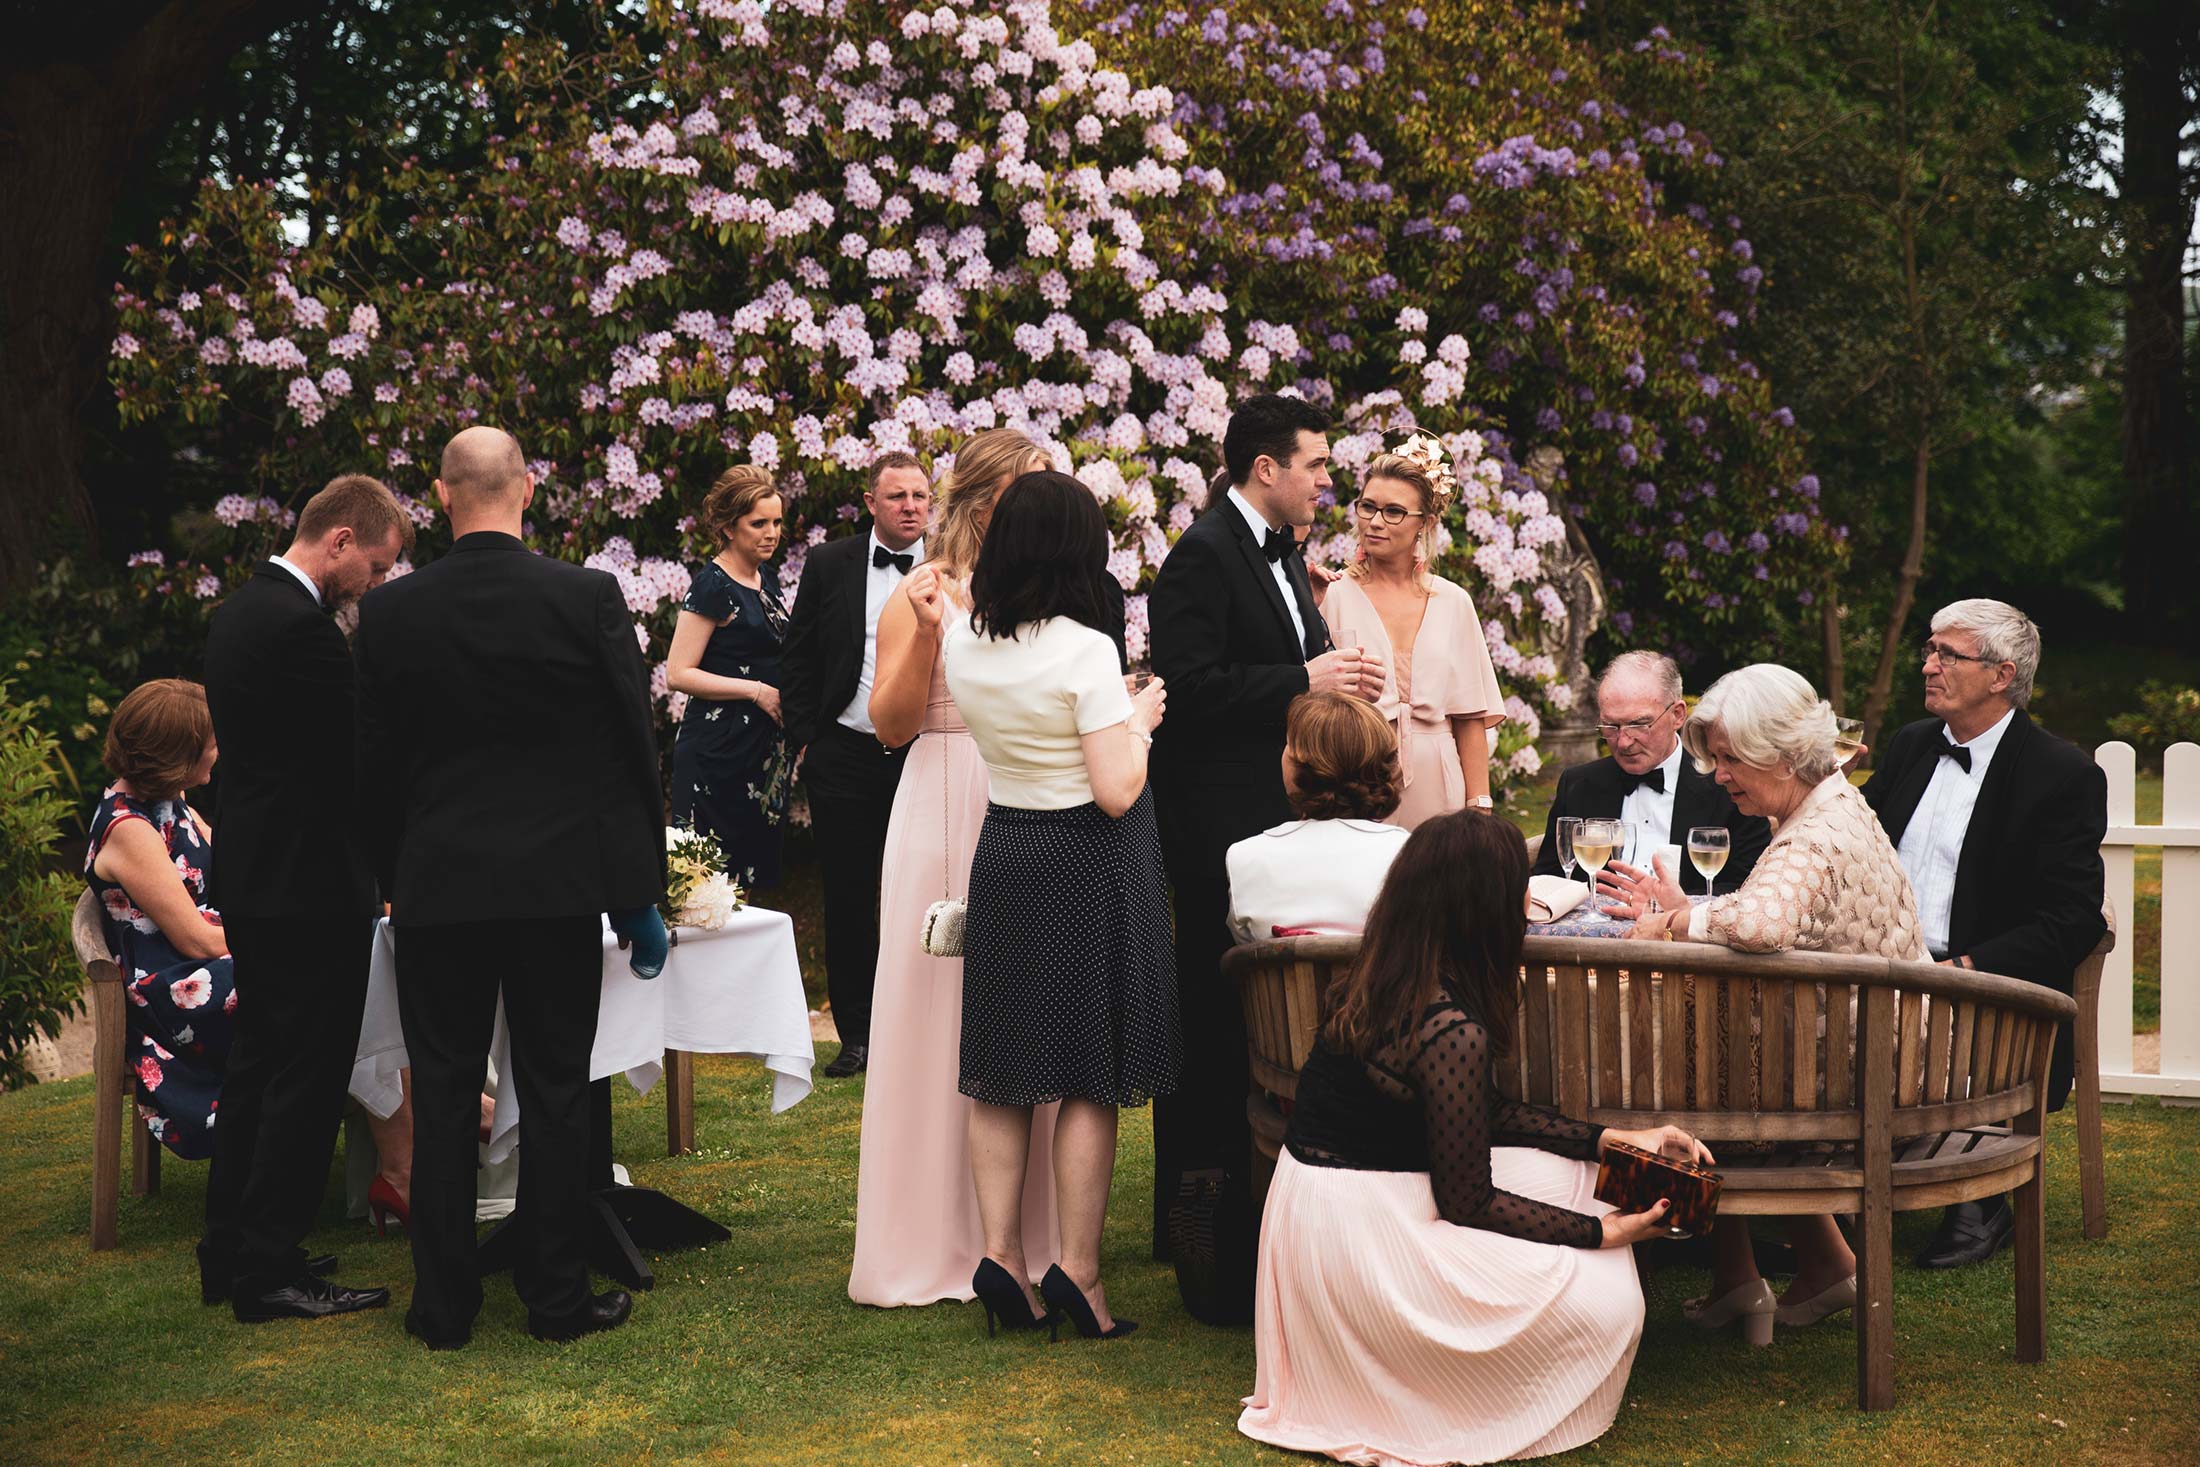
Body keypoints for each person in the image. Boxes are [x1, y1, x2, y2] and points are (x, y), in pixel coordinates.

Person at [1238, 811, 1705, 1464]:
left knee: (1584, 1179)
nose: (1529, 904)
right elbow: (1469, 1200)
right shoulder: (1451, 1026)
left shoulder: (1381, 973)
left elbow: (1482, 1112)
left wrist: (1611, 1138)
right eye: (1520, 888)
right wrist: (1605, 1235)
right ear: (1480, 907)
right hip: (1366, 1240)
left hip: (1320, 1207)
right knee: (1612, 1297)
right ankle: (1451, 1388)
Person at [356, 426, 665, 1349]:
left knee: (445, 1091)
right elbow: (629, 759)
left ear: (443, 497)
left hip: (439, 888)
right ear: (526, 490)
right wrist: (633, 893)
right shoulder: (586, 596)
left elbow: (373, 768)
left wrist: (391, 879)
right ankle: (557, 1299)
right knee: (558, 1089)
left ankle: (443, 1307)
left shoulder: (392, 614)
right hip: (555, 889)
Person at [1147, 392, 1383, 1320]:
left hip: (1283, 815)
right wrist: (1302, 678)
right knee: (1212, 1019)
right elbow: (1189, 687)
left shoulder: (1285, 553)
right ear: (1265, 470)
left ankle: (1274, 1213)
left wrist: (1334, 679)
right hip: (1219, 827)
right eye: (1318, 465)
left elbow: (1293, 664)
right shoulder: (1199, 557)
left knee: (1262, 1027)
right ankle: (1200, 1225)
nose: (1330, 481)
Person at [1606, 664, 1923, 1338]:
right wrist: (1689, 908)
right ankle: (1791, 1271)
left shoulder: (1813, 834)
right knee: (1685, 1061)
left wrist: (1675, 923)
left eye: (1730, 758)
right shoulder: (1827, 803)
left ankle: (1615, 1281)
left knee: (1635, 1083)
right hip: (1858, 1050)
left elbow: (1762, 924)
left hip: (1855, 1077)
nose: (1718, 775)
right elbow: (1769, 913)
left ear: (1782, 753)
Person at [942, 469, 1178, 1340]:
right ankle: (1078, 1269)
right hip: (1085, 857)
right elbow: (1116, 789)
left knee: (1002, 1068)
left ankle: (1001, 1254)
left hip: (1006, 849)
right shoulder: (1084, 647)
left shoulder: (964, 639)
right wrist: (1142, 717)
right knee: (1088, 1070)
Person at [849, 427, 1063, 1308]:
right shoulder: (921, 591)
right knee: (932, 1004)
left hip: (1030, 793)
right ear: (988, 497)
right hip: (942, 794)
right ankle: (923, 1238)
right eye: (1033, 489)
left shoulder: (1050, 589)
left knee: (1022, 1005)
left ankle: (1020, 1235)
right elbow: (891, 723)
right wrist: (934, 638)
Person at [198, 474, 412, 1323]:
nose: (376, 583)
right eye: (377, 565)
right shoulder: (308, 635)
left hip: (254, 875)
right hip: (307, 885)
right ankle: (271, 1269)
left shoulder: (239, 613)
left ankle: (232, 1244)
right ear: (339, 542)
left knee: (258, 1064)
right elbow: (349, 775)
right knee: (307, 1074)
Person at [1863, 599, 2107, 1270]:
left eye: (1948, 653)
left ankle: (1980, 1197)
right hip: (1882, 969)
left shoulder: (2061, 772)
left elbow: (2072, 914)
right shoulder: (1912, 744)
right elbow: (1858, 849)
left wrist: (1966, 964)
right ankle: (1813, 1190)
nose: (1928, 663)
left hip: (1985, 989)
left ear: (2002, 675)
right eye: (1930, 649)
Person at [780, 451, 933, 1077]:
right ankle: (859, 1037)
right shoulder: (829, 562)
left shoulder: (952, 567)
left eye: (920, 496)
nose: (910, 507)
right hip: (843, 753)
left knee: (927, 893)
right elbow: (798, 656)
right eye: (897, 497)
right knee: (848, 896)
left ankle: (924, 1032)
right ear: (871, 503)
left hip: (925, 752)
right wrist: (808, 739)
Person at [84, 682, 236, 1167]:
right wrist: (288, 936)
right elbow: (194, 937)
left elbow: (236, 866)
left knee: (346, 959)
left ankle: (442, 1117)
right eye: (210, 742)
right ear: (177, 755)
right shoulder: (128, 828)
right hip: (175, 987)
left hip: (203, 961)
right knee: (322, 974)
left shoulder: (172, 802)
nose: (219, 748)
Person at [1319, 437, 1504, 828]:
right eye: (1368, 507)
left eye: (1394, 511)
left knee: (1441, 885)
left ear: (1426, 523)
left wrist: (1480, 806)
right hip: (1357, 775)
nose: (1375, 521)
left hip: (1439, 782)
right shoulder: (1331, 595)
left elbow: (1469, 718)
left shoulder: (1453, 602)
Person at [1531, 650, 1771, 896]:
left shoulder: (1728, 785)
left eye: (1638, 724)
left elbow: (1750, 887)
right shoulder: (1579, 784)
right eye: (1611, 726)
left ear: (1677, 715)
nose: (1623, 742)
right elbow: (1547, 880)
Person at [668, 465, 793, 888]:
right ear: (727, 527)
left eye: (776, 522)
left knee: (751, 887)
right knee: (705, 888)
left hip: (760, 758)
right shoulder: (712, 585)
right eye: (758, 523)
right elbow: (677, 672)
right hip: (716, 757)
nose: (771, 532)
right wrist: (755, 691)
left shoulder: (765, 579)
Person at [1226, 692, 1410, 941]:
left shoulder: (1244, 858)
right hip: (1383, 981)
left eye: (1289, 744)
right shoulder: (1407, 854)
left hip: (1283, 982)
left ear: (1300, 766)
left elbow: (1247, 949)